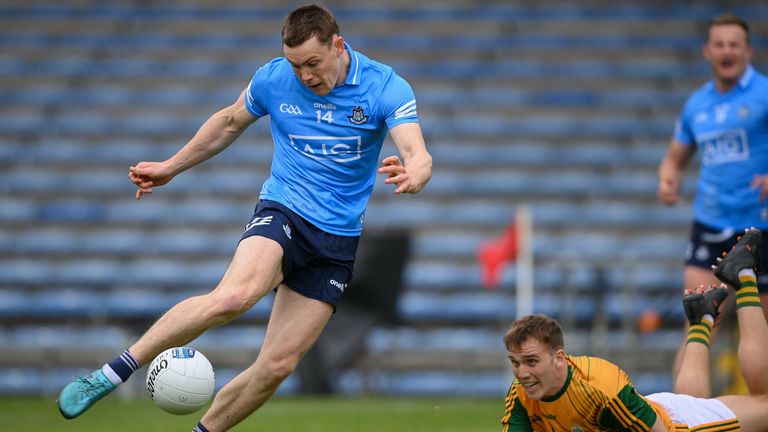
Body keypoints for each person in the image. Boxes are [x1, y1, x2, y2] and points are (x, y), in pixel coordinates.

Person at [57, 5, 432, 431]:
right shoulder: (274, 78)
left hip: (337, 241)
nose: (305, 76)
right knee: (235, 296)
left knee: (277, 366)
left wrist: (415, 174)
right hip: (285, 210)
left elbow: (417, 152)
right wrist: (170, 166)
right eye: (296, 65)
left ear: (338, 45)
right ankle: (109, 374)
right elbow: (229, 121)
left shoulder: (385, 86)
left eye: (312, 63)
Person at [501, 228, 768, 431]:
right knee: (695, 403)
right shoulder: (521, 394)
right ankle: (700, 324)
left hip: (676, 428)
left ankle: (743, 277)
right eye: (516, 362)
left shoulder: (601, 388)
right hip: (658, 409)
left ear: (559, 358)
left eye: (531, 361)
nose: (522, 373)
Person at [657, 12, 768, 320]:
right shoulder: (697, 104)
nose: (727, 51)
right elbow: (673, 159)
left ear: (748, 51)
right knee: (700, 323)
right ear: (707, 51)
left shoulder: (764, 93)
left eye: (735, 44)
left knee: (763, 331)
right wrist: (668, 179)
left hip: (760, 225)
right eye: (719, 44)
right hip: (711, 223)